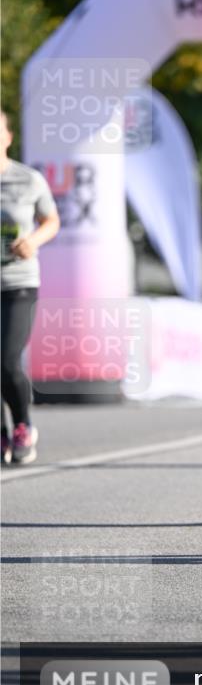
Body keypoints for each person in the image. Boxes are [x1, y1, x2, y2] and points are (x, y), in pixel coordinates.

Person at [1, 110, 60, 464]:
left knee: (6, 361)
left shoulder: (28, 180)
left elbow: (51, 220)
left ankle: (23, 424)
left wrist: (33, 241)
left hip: (17, 283)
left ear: (8, 137)